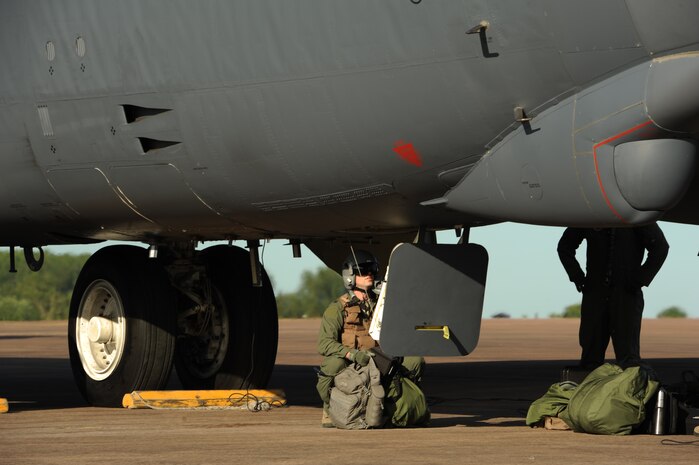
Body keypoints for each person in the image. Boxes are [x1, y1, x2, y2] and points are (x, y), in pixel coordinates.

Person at [316, 249, 425, 428]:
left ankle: (403, 405)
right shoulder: (337, 309)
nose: (369, 274)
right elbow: (324, 343)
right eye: (363, 271)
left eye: (372, 270)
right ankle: (331, 408)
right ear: (350, 276)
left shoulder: (382, 304)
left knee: (415, 361)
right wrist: (352, 355)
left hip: (381, 358)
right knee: (332, 364)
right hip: (354, 363)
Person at [557, 223, 669, 369]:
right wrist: (577, 276)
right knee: (595, 353)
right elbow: (565, 247)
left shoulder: (623, 217)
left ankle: (624, 384)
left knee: (627, 357)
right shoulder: (628, 217)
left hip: (622, 292)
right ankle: (595, 381)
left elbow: (660, 248)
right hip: (609, 292)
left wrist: (640, 279)